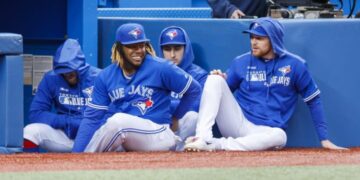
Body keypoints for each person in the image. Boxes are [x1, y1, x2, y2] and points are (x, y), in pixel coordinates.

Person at [184, 17, 348, 151]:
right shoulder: (241, 62)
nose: (253, 42)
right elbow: (219, 93)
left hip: (266, 132)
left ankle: (218, 144)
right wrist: (190, 113)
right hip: (239, 123)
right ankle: (203, 138)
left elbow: (313, 100)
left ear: (274, 40)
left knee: (280, 136)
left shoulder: (296, 65)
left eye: (259, 38)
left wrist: (324, 139)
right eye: (252, 37)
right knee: (214, 78)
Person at [72, 23, 202, 153]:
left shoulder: (161, 67)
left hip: (159, 133)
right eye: (132, 46)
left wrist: (176, 116)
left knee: (118, 122)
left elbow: (194, 89)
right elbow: (91, 118)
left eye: (141, 45)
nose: (139, 50)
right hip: (129, 137)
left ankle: (86, 159)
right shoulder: (106, 76)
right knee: (111, 125)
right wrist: (76, 153)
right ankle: (81, 161)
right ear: (119, 48)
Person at [23, 39, 101, 152]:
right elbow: (36, 114)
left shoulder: (99, 77)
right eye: (63, 70)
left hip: (94, 139)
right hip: (65, 136)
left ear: (80, 66)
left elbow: (110, 114)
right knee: (29, 131)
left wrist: (85, 123)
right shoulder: (51, 79)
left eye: (71, 69)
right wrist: (67, 121)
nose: (67, 73)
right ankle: (29, 168)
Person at [158, 26, 208, 151]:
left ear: (186, 49)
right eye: (167, 49)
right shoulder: (155, 72)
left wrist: (169, 109)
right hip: (159, 125)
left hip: (181, 128)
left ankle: (178, 153)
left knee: (192, 117)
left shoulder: (199, 74)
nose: (173, 54)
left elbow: (195, 106)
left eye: (177, 48)